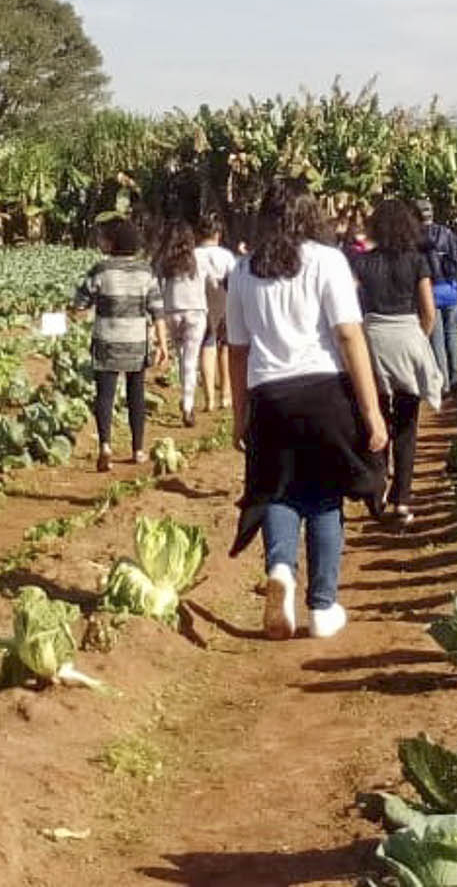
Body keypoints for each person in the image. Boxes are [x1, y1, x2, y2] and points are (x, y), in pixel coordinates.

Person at [226, 180, 387, 641]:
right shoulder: (326, 260)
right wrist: (371, 409)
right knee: (323, 494)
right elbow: (349, 335)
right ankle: (322, 605)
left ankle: (280, 569)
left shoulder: (242, 270)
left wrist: (240, 415)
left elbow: (237, 349)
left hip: (268, 396)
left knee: (277, 490)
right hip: (323, 391)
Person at [349, 198, 443, 525]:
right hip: (407, 337)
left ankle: (376, 490)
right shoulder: (416, 261)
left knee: (375, 416)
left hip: (372, 339)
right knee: (407, 423)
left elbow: (349, 307)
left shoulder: (362, 263)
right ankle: (403, 499)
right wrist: (419, 337)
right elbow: (429, 311)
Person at [74, 219, 163, 471]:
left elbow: (80, 302)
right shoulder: (145, 271)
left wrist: (74, 312)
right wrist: (162, 343)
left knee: (105, 394)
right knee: (136, 394)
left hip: (107, 340)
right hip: (136, 341)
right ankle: (138, 450)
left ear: (112, 242)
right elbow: (157, 309)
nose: (100, 242)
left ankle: (105, 446)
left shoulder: (100, 270)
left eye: (102, 238)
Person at [152, 222, 208, 429]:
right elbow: (211, 282)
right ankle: (188, 403)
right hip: (196, 311)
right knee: (190, 360)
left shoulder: (162, 260)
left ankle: (186, 399)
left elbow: (156, 285)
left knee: (182, 356)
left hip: (171, 312)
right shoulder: (198, 258)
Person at [416, 200, 457, 391]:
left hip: (430, 291)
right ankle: (456, 379)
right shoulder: (447, 233)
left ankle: (443, 383)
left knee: (436, 338)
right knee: (452, 334)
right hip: (451, 289)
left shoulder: (416, 238)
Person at [195, 220, 238, 413]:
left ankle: (209, 398)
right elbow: (234, 279)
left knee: (207, 346)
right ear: (217, 235)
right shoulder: (226, 255)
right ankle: (226, 395)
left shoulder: (194, 255)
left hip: (201, 300)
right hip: (225, 298)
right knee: (226, 348)